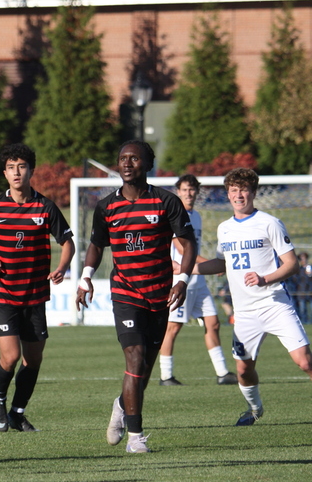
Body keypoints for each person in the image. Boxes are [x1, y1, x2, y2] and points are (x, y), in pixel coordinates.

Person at [75, 140, 195, 453]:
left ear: (148, 164)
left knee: (142, 371)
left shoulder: (166, 202)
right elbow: (97, 245)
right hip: (126, 292)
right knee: (135, 357)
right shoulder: (106, 207)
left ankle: (121, 404)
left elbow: (188, 242)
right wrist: (86, 277)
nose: (127, 163)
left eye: (134, 158)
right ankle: (136, 438)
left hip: (160, 295)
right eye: (122, 158)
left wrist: (182, 280)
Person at [0, 143, 75, 433]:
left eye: (22, 166)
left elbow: (68, 243)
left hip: (34, 294)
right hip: (1, 291)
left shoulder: (45, 207)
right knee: (11, 356)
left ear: (31, 170)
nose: (17, 172)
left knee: (34, 359)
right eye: (11, 168)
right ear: (5, 173)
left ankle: (18, 412)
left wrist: (62, 267)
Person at [196, 168, 312, 426]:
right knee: (243, 369)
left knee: (304, 361)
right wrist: (188, 268)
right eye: (234, 190)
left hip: (274, 304)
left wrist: (265, 279)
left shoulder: (269, 222)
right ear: (228, 194)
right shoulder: (224, 229)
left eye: (244, 189)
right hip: (245, 312)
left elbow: (291, 264)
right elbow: (221, 264)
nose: (239, 195)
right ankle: (254, 409)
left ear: (254, 192)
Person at [158, 174, 237, 386]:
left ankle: (222, 373)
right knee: (173, 327)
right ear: (178, 191)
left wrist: (206, 267)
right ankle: (166, 376)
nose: (189, 193)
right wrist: (210, 264)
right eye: (184, 189)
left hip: (198, 279)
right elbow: (181, 247)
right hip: (181, 279)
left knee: (213, 323)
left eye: (192, 189)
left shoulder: (197, 216)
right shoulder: (175, 214)